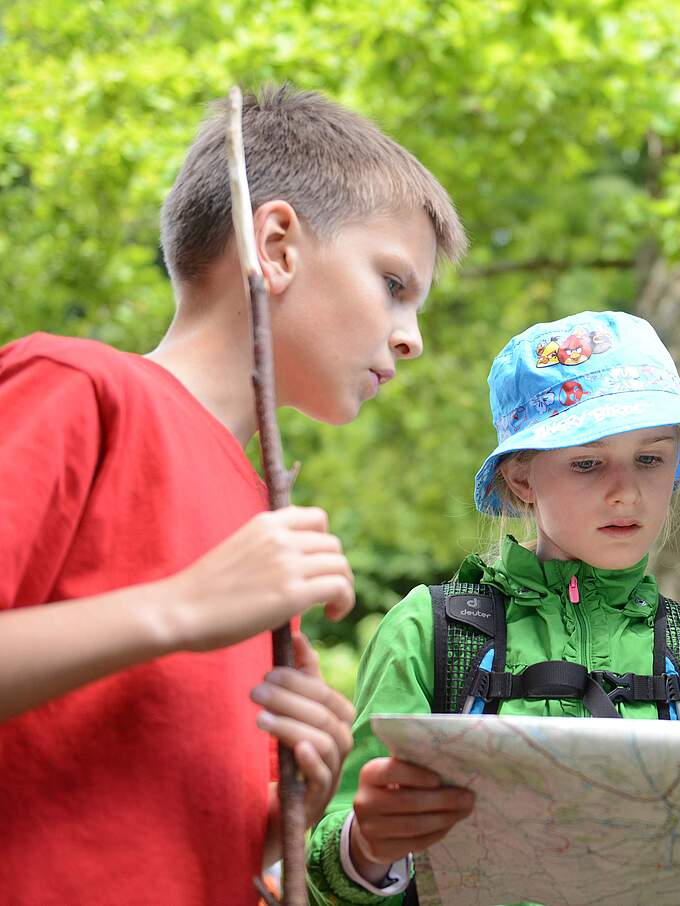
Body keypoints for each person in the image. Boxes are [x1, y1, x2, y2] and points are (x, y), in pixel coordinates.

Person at [0, 84, 467, 904]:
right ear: (277, 245)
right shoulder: (79, 390)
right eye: (394, 284)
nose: (412, 337)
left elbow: (156, 826)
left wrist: (290, 800)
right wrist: (178, 605)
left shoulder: (262, 521)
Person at [307, 310, 680, 905]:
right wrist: (366, 847)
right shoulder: (431, 631)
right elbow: (334, 871)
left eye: (651, 458)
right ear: (521, 478)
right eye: (587, 462)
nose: (626, 490)